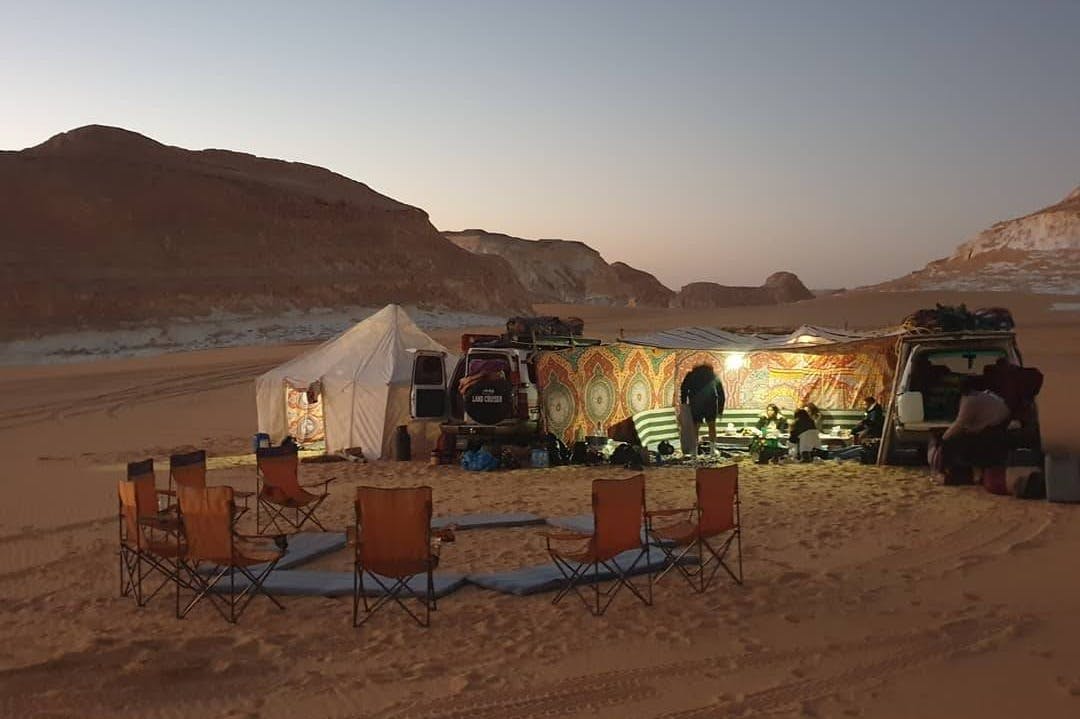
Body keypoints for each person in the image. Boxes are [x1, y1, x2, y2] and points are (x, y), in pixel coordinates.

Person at [679, 363, 726, 456]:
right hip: (711, 403)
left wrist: (684, 402)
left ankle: (694, 451)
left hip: (696, 403)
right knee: (711, 426)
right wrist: (720, 410)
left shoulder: (691, 375)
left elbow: (683, 389)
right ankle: (712, 450)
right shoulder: (713, 375)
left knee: (695, 428)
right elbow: (721, 393)